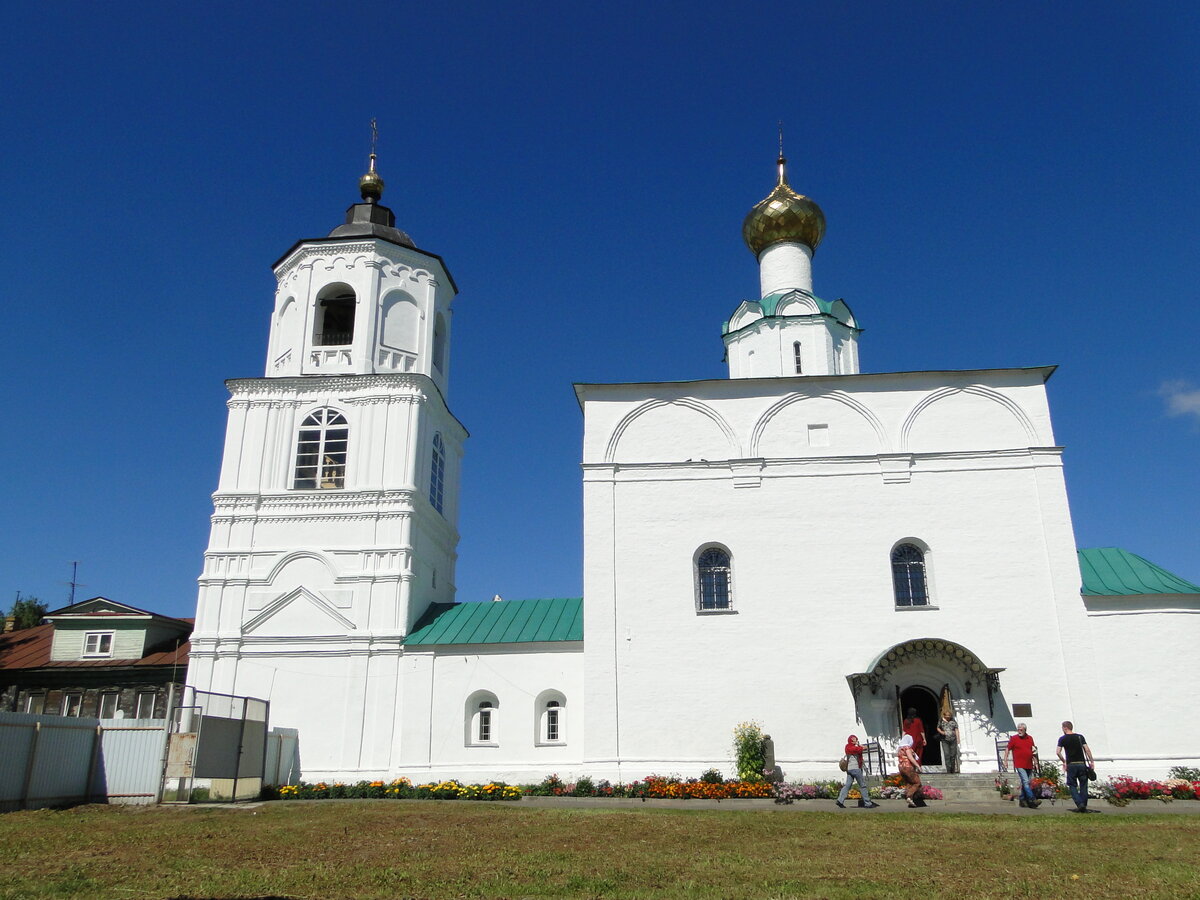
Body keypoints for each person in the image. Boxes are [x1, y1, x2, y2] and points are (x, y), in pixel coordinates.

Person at [1056, 720, 1096, 813]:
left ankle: (1079, 804)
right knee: (1083, 784)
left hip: (1071, 765)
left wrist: (1064, 761)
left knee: (1072, 785)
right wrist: (1092, 761)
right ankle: (1084, 805)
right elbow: (1087, 750)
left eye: (1062, 728)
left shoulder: (1062, 739)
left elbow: (1058, 752)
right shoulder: (1080, 737)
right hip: (1081, 764)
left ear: (1065, 728)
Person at [836, 735, 880, 809]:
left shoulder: (847, 747)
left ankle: (840, 800)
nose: (856, 741)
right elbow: (864, 748)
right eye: (854, 740)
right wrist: (858, 744)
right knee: (862, 785)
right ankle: (868, 803)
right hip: (856, 769)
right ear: (852, 741)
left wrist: (857, 744)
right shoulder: (855, 748)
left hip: (849, 769)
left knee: (847, 785)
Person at [1002, 723, 1040, 808]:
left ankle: (1022, 800)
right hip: (1019, 764)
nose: (1019, 731)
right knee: (1026, 781)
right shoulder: (1014, 739)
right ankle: (1032, 799)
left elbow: (1033, 751)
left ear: (1025, 730)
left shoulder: (1030, 738)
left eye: (1021, 729)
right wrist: (1005, 761)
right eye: (1018, 729)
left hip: (1029, 764)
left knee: (1026, 782)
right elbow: (1008, 749)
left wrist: (1036, 763)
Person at [897, 734, 926, 808]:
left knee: (909, 783)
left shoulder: (900, 749)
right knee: (917, 783)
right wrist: (918, 766)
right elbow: (910, 758)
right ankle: (909, 796)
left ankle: (911, 800)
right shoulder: (907, 748)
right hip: (908, 767)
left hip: (901, 768)